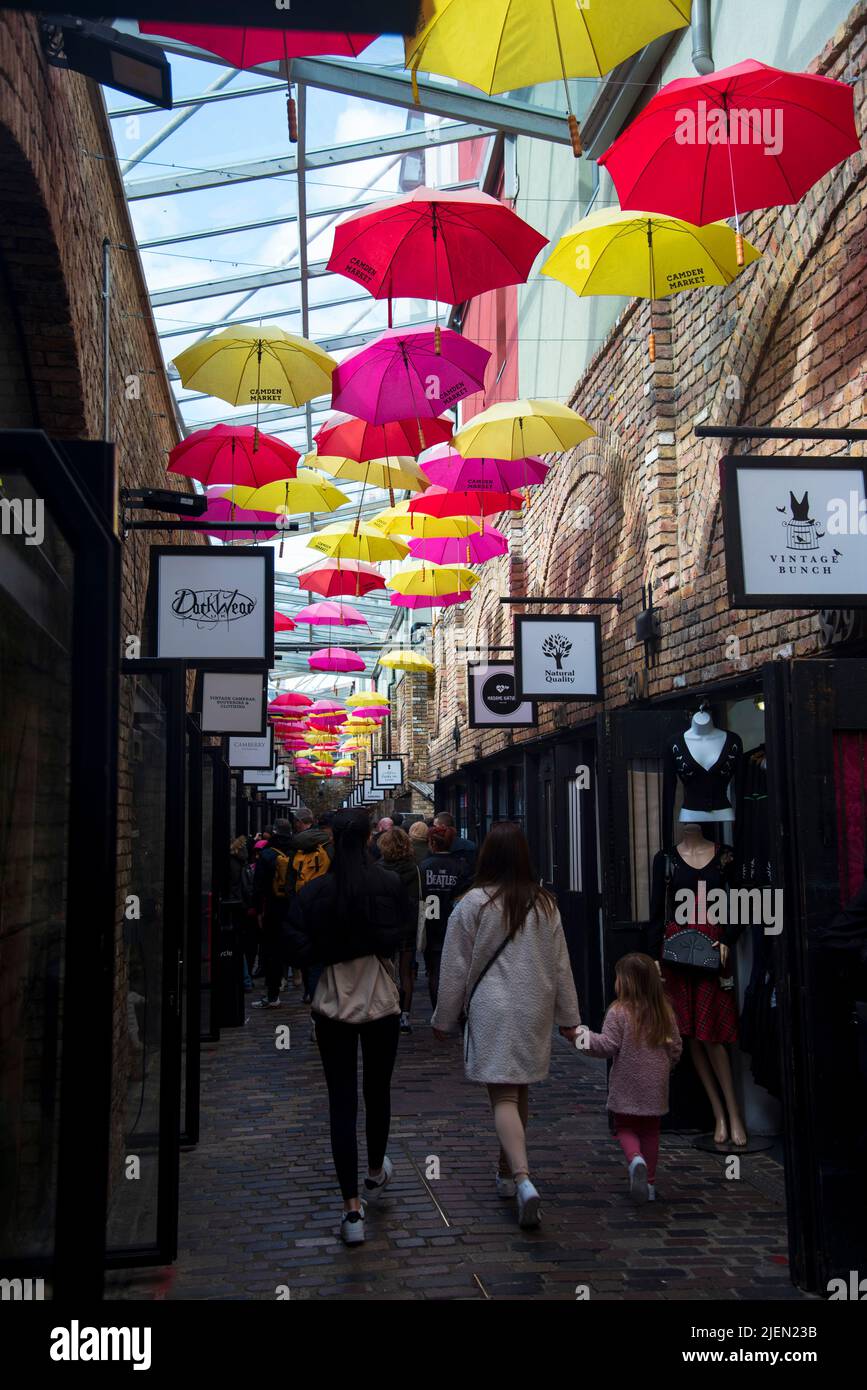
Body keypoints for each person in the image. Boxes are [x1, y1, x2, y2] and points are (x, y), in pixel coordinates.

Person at [431, 822, 580, 1229]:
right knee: (519, 1087)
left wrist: (444, 1017)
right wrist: (570, 1018)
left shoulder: (472, 904)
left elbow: (454, 967)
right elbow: (560, 963)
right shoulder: (545, 903)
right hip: (533, 1007)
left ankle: (522, 1178)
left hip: (493, 1008)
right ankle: (504, 1170)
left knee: (503, 1097)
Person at [284, 808, 409, 1245]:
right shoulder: (388, 883)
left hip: (333, 1004)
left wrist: (328, 951)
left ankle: (351, 1211)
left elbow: (295, 944)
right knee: (378, 1092)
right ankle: (375, 1172)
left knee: (342, 1103)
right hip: (380, 1003)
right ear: (370, 837)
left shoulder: (316, 890)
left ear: (333, 840)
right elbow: (400, 934)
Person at [577, 953, 682, 1204]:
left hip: (627, 1084)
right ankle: (650, 1184)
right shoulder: (664, 1011)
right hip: (655, 1086)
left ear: (626, 982)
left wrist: (579, 1036)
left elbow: (605, 1046)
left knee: (624, 1127)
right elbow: (676, 1047)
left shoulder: (619, 1012)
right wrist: (666, 1067)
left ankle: (635, 1159)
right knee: (651, 1132)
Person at [419, 824, 472, 1010]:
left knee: (434, 970)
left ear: (432, 842)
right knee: (458, 969)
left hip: (431, 922)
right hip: (454, 923)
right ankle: (457, 1010)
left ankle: (438, 1010)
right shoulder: (461, 867)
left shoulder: (423, 867)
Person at [378, 827, 421, 1034]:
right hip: (408, 925)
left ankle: (389, 1010)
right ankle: (405, 1015)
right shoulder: (415, 869)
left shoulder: (378, 869)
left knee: (386, 971)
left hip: (386, 925)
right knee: (406, 972)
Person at [251, 819, 296, 1008]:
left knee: (272, 952)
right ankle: (310, 992)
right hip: (294, 906)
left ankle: (272, 994)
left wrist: (258, 910)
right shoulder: (296, 852)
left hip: (273, 908)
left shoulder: (268, 854)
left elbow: (258, 886)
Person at [226, 834, 254, 991]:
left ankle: (244, 979)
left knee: (234, 942)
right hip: (242, 904)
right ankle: (246, 977)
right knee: (243, 942)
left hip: (233, 904)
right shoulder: (242, 859)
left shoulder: (230, 861)